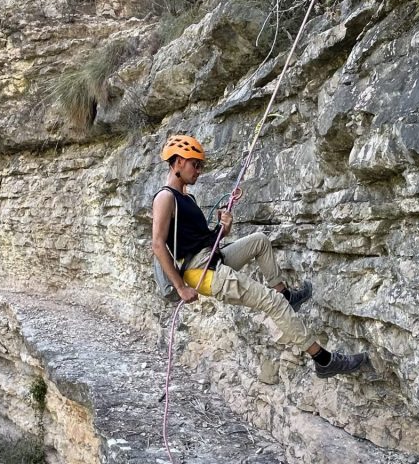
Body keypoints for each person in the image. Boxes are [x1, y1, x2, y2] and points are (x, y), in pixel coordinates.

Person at [151, 134, 367, 379]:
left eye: (200, 165)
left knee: (260, 242)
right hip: (202, 272)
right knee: (272, 304)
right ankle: (324, 360)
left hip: (212, 257)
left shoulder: (187, 198)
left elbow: (200, 240)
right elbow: (158, 245)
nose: (199, 170)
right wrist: (180, 288)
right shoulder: (165, 197)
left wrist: (225, 228)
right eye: (195, 164)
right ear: (178, 161)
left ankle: (285, 293)